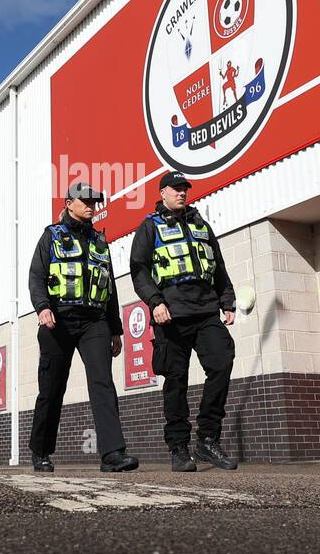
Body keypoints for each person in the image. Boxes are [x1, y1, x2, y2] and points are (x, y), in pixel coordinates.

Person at [130, 171, 238, 472]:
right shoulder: (149, 227)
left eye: (184, 188)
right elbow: (138, 269)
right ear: (162, 192)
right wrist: (155, 301)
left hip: (205, 311)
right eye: (176, 188)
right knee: (176, 381)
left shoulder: (201, 225)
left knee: (222, 362)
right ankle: (179, 448)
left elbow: (217, 265)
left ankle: (207, 439)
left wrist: (226, 300)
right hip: (171, 315)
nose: (182, 193)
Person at [27, 183, 138, 473]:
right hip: (58, 319)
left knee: (102, 382)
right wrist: (43, 307)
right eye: (85, 200)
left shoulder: (100, 241)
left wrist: (116, 329)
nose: (91, 205)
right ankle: (41, 451)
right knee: (52, 388)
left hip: (94, 321)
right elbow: (36, 276)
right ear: (68, 202)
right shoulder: (50, 236)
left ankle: (112, 454)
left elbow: (109, 287)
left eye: (94, 201)